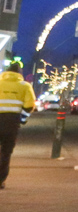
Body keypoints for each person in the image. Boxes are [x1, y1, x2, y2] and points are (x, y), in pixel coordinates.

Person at [0, 60, 36, 189]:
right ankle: (1, 180)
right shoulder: (25, 86)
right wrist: (22, 120)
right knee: (6, 152)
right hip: (12, 122)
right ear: (19, 74)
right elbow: (29, 105)